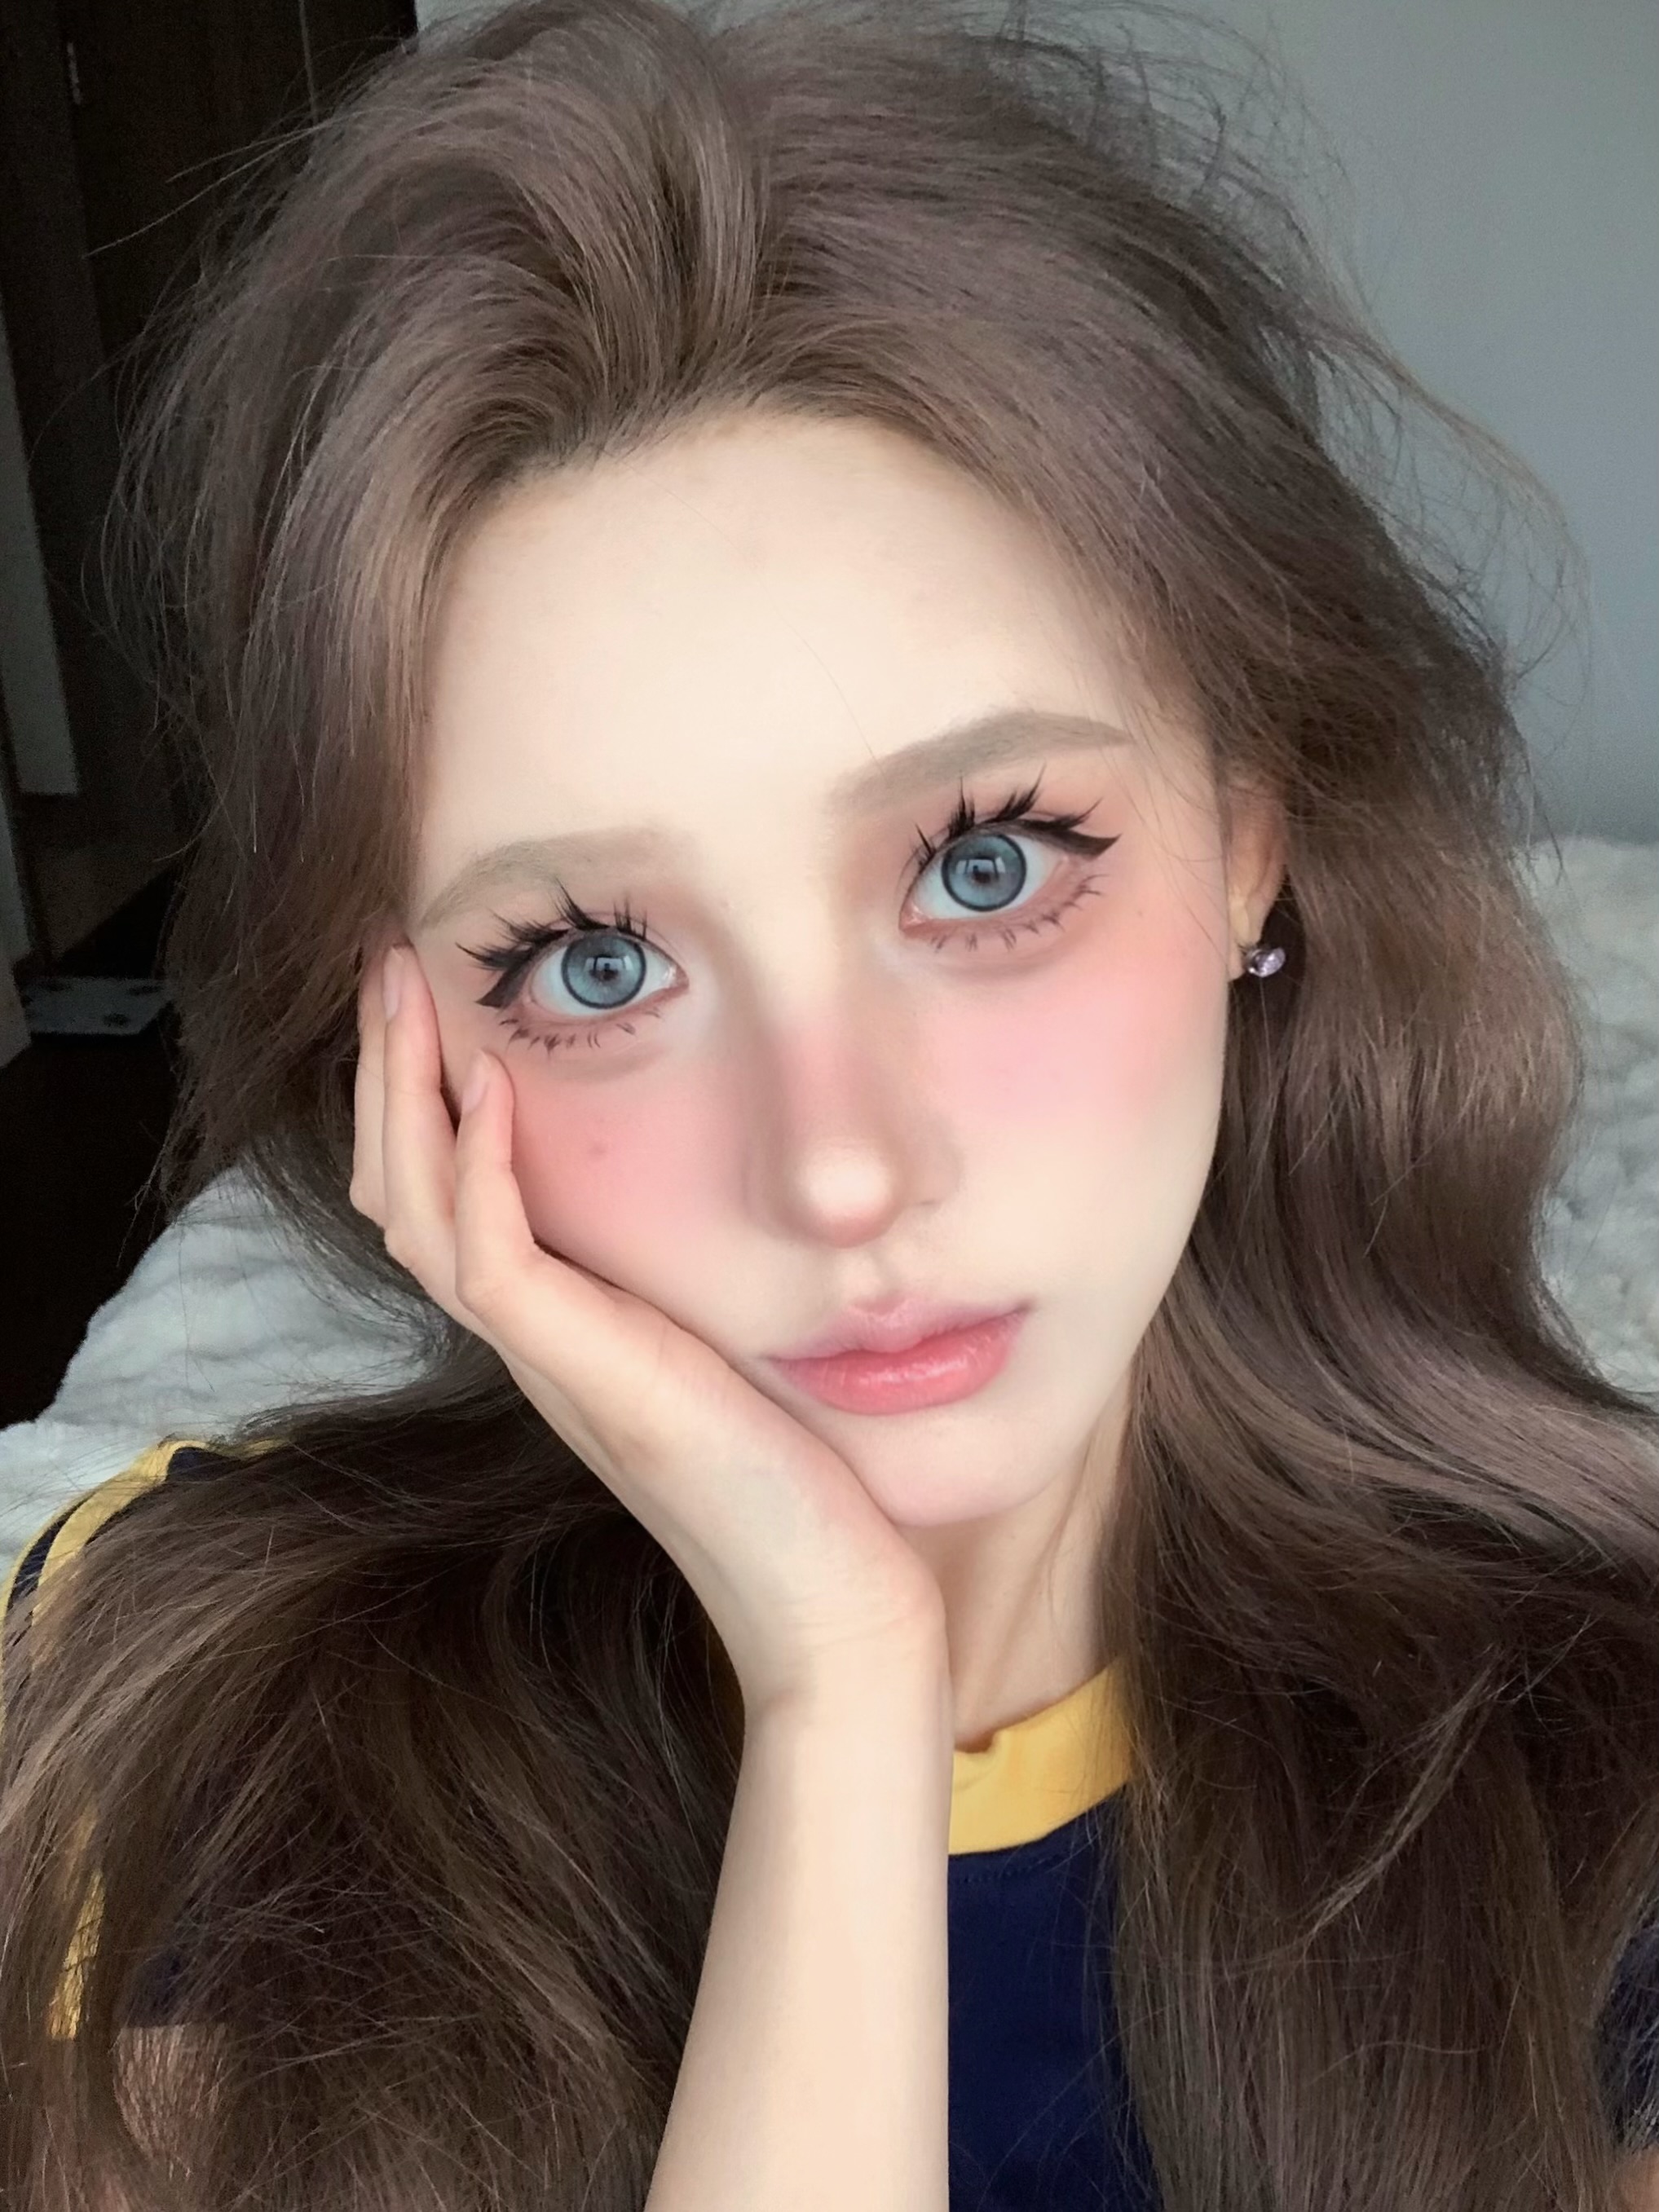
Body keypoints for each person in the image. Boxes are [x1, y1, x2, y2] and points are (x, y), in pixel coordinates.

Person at [4, 0, 1659, 2205]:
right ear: (396, 1038)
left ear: (1250, 844)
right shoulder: (194, 1690)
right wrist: (840, 1685)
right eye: (595, 963)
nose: (841, 1163)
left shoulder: (1606, 1737)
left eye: (985, 867)